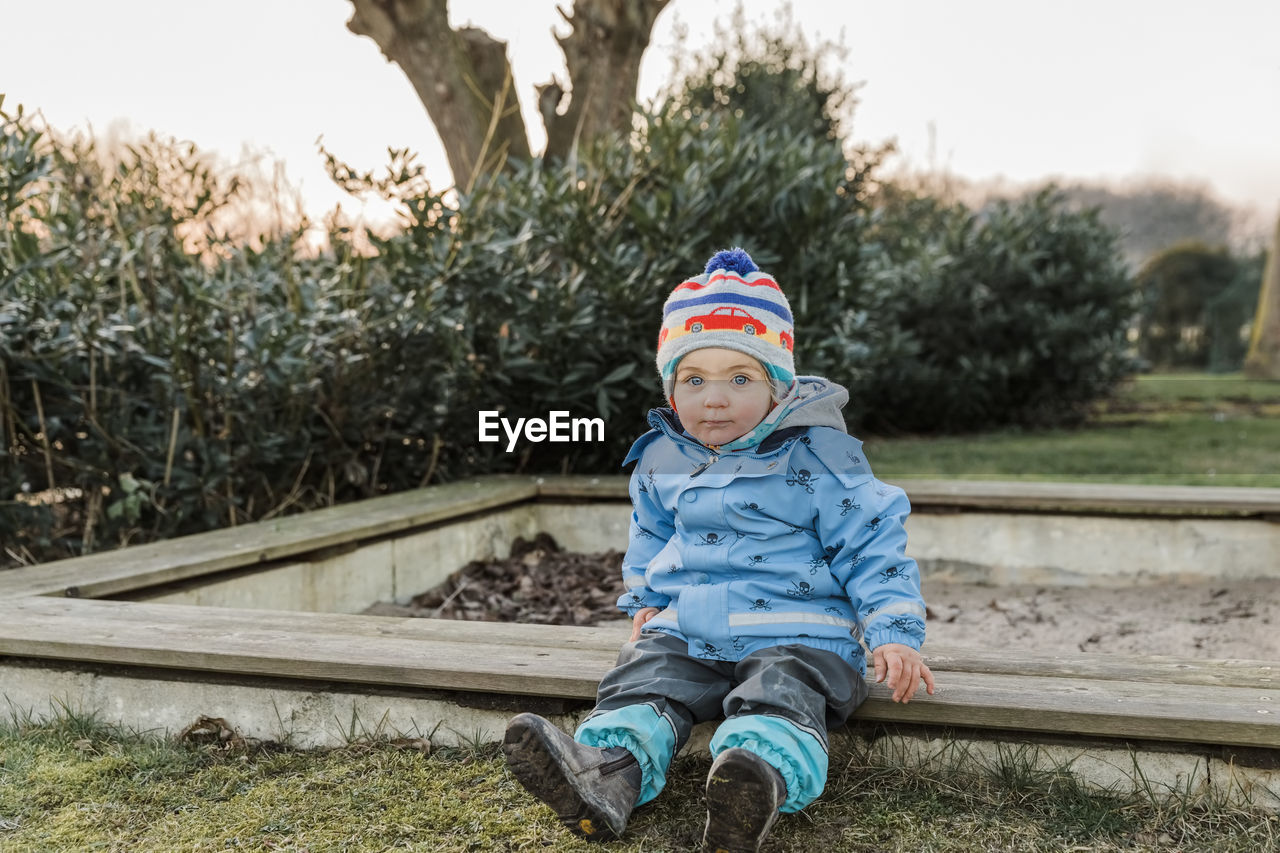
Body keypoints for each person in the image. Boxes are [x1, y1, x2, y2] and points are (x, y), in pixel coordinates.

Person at [503, 248, 935, 852]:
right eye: (694, 379)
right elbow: (651, 534)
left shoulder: (818, 455)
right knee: (645, 681)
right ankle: (604, 774)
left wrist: (892, 630)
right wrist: (647, 600)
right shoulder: (661, 456)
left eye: (740, 378)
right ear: (672, 386)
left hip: (800, 631)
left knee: (781, 690)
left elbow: (872, 544)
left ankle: (754, 779)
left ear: (779, 384)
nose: (714, 399)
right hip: (691, 631)